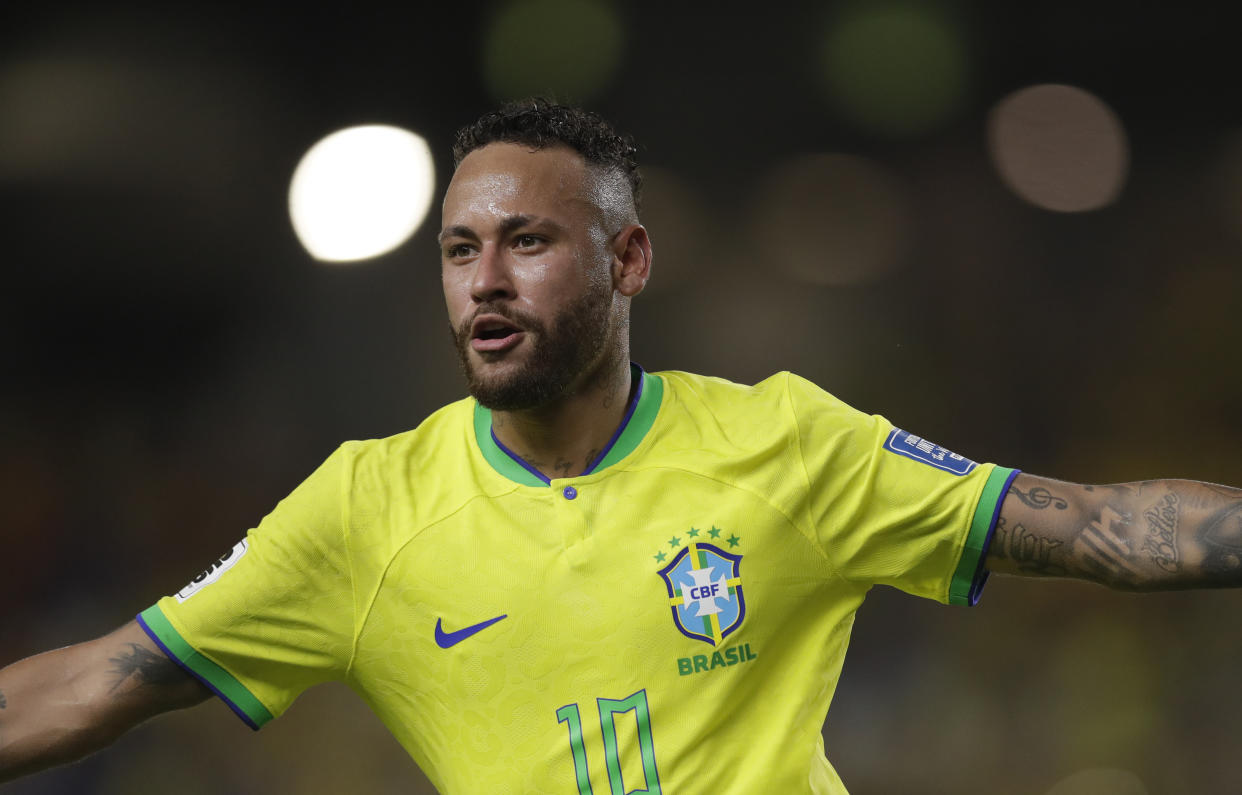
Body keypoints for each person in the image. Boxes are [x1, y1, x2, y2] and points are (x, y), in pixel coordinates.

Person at [1, 98, 1240, 794]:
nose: (484, 282)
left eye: (528, 243)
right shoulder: (365, 514)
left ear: (628, 259)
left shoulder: (784, 450)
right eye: (458, 250)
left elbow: (1099, 528)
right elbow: (102, 680)